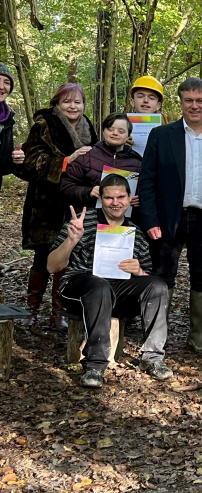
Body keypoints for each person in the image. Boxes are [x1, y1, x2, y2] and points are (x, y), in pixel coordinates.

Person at [137, 78, 202, 354]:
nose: (194, 106)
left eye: (200, 101)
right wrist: (150, 219)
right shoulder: (161, 136)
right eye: (188, 100)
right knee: (162, 276)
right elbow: (147, 181)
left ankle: (196, 335)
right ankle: (157, 336)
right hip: (169, 219)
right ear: (180, 103)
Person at [47, 174, 172, 388]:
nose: (115, 203)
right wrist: (71, 240)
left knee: (158, 285)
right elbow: (52, 266)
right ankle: (95, 364)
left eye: (120, 197)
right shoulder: (82, 221)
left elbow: (146, 275)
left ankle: (153, 358)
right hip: (80, 287)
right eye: (109, 198)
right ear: (100, 199)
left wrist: (139, 271)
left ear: (129, 197)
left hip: (118, 291)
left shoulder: (134, 232)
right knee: (99, 285)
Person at [20, 82, 98, 329]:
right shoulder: (43, 126)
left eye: (77, 102)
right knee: (44, 254)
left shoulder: (89, 128)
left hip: (77, 201)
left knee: (70, 253)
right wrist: (65, 161)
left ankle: (59, 312)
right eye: (66, 101)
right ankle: (31, 310)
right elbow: (31, 161)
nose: (72, 106)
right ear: (56, 104)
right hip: (47, 203)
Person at [60, 113, 142, 212]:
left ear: (128, 135)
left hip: (123, 223)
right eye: (110, 129)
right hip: (89, 220)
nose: (115, 133)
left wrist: (141, 199)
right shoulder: (86, 156)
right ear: (103, 131)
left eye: (121, 131)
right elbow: (66, 187)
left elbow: (148, 191)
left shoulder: (137, 162)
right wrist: (88, 192)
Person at [0, 63, 26, 191]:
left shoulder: (6, 120)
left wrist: (15, 159)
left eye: (6, 82)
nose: (1, 87)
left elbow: (3, 167)